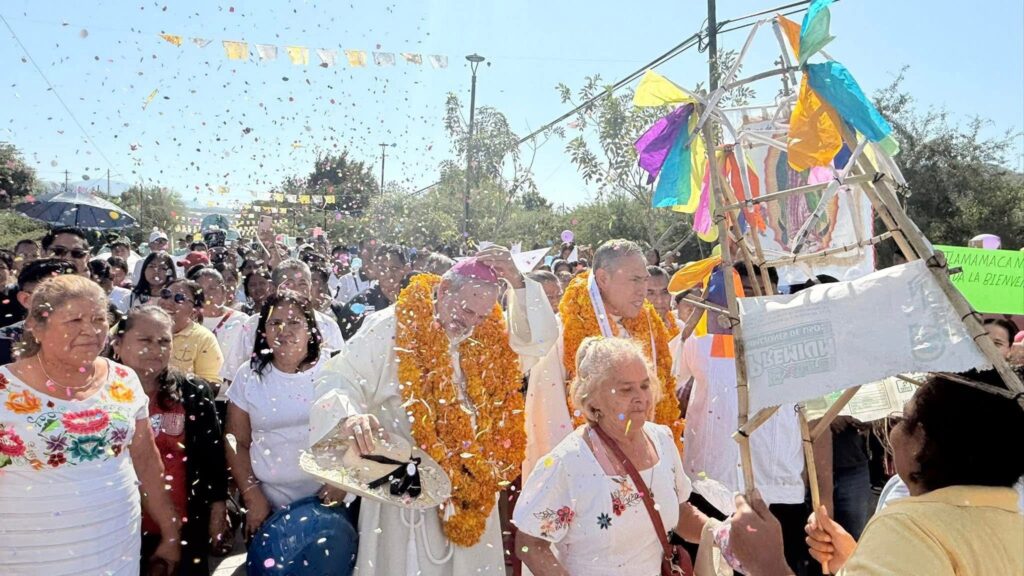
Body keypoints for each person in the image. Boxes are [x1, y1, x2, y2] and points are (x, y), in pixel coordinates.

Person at [308, 245, 559, 575]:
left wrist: (517, 280)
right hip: (402, 489)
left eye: (481, 315)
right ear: (443, 289)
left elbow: (539, 341)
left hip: (471, 491)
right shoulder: (390, 326)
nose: (470, 322)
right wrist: (351, 416)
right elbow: (338, 377)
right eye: (466, 310)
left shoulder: (487, 335)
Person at [728, 369, 1024, 576]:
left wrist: (767, 565)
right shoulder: (1014, 528)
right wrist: (858, 561)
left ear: (921, 440)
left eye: (903, 418)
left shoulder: (910, 528)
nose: (892, 432)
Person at [0, 274, 181, 574]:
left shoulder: (124, 380)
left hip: (115, 554)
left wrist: (171, 532)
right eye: (74, 320)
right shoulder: (4, 389)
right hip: (25, 559)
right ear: (36, 326)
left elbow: (147, 462)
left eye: (99, 319)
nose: (91, 331)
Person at [514, 337, 706, 576]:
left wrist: (720, 533)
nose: (640, 398)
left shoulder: (663, 441)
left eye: (645, 386)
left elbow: (680, 511)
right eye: (626, 389)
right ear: (593, 398)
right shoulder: (567, 463)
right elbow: (528, 543)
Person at [672, 263, 817, 575]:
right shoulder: (702, 344)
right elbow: (666, 378)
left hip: (777, 492)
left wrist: (821, 492)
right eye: (739, 293)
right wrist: (694, 320)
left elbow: (814, 420)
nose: (745, 304)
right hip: (712, 489)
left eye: (755, 293)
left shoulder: (795, 346)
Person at [525, 239, 683, 480]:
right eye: (634, 279)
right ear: (602, 278)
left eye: (644, 279)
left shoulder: (650, 326)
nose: (643, 289)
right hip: (591, 477)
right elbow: (550, 421)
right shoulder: (563, 333)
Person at [108, 306, 230, 574]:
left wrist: (218, 507)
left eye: (164, 341)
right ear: (118, 344)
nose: (156, 348)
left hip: (186, 522)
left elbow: (212, 457)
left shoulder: (193, 392)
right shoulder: (100, 394)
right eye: (145, 340)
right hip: (117, 528)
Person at [225, 292, 343, 540]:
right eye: (274, 323)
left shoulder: (335, 368)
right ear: (263, 331)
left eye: (294, 322)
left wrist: (340, 483)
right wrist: (251, 495)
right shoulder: (249, 375)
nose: (283, 330)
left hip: (332, 499)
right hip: (269, 505)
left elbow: (356, 434)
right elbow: (237, 441)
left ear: (310, 329)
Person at [221, 259, 345, 384]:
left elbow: (339, 371)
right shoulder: (254, 324)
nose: (296, 290)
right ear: (274, 288)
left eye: (302, 284)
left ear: (310, 288)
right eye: (288, 284)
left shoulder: (327, 325)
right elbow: (234, 375)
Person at [0, 259, 78, 365]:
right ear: (25, 299)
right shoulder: (4, 343)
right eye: (53, 294)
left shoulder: (98, 336)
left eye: (75, 293)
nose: (65, 301)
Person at [332, 243, 407, 340]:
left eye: (394, 268)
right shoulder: (361, 302)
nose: (388, 273)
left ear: (404, 269)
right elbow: (343, 341)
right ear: (375, 268)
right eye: (383, 268)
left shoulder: (414, 301)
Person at [158, 279, 224, 387]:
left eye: (179, 298)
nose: (168, 302)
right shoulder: (139, 326)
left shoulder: (204, 338)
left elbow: (211, 386)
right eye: (166, 294)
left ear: (195, 311)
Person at [646, 266, 678, 339]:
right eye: (651, 293)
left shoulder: (680, 329)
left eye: (664, 292)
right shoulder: (628, 333)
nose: (659, 300)